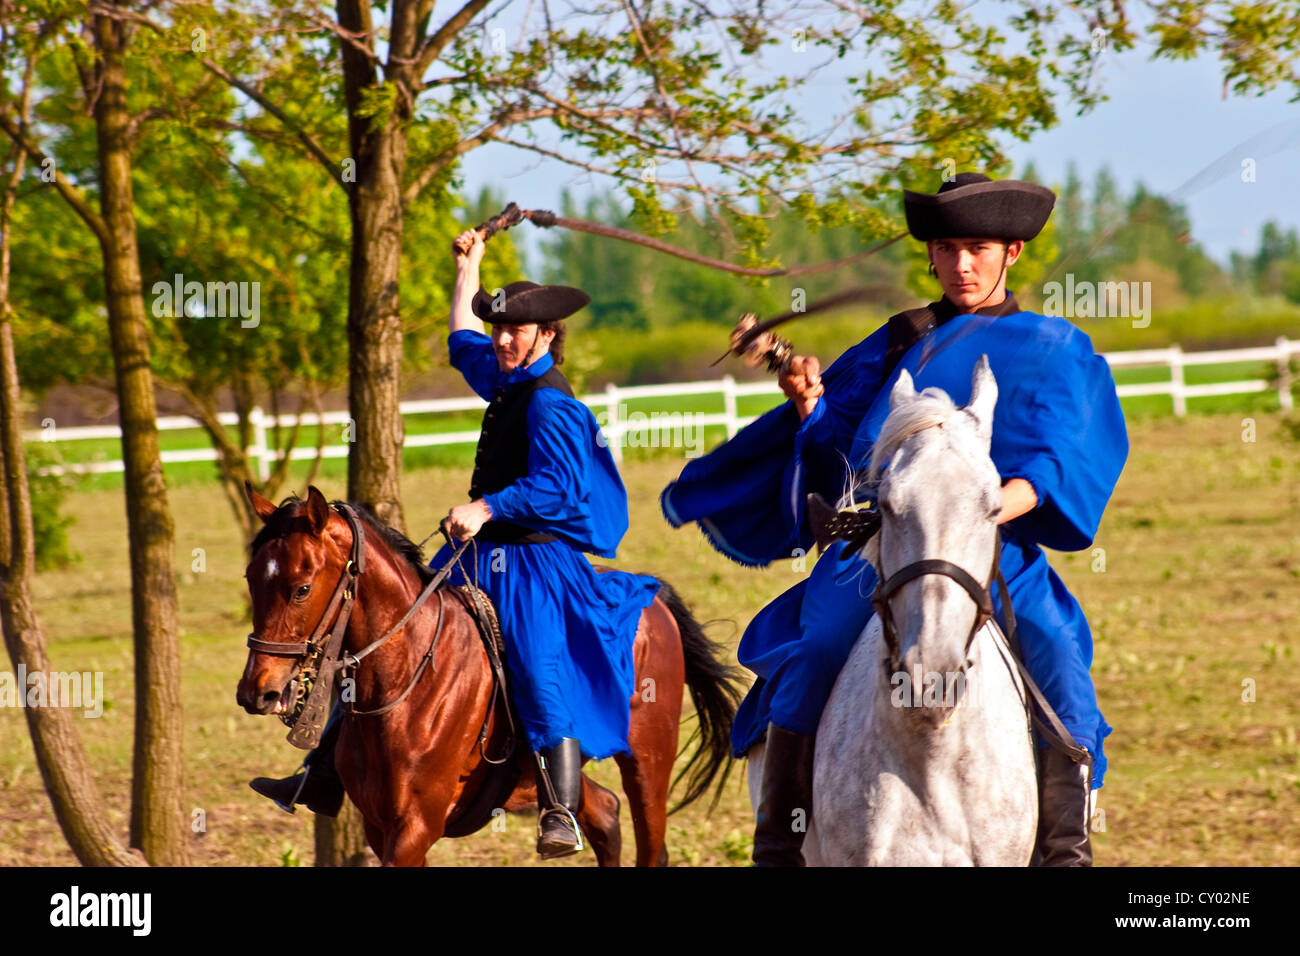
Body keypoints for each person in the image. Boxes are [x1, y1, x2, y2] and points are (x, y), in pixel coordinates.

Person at [660, 173, 1129, 866]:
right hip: (880, 547)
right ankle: (779, 844)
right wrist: (808, 404)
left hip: (993, 547)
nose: (962, 265)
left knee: (1056, 652)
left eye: (977, 248)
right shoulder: (899, 341)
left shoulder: (1056, 346)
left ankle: (1064, 849)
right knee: (816, 650)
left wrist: (987, 508)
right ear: (932, 256)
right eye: (947, 249)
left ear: (1012, 254)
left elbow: (1059, 459)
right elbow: (840, 461)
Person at [251, 230, 661, 861]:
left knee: (533, 664)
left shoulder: (552, 405)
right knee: (378, 635)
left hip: (531, 562)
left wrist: (488, 505)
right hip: (474, 554)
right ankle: (326, 769)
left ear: (547, 334)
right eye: (499, 330)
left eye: (514, 332)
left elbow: (558, 488)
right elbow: (460, 342)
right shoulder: (506, 380)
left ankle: (559, 807)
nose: (500, 340)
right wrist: (469, 268)